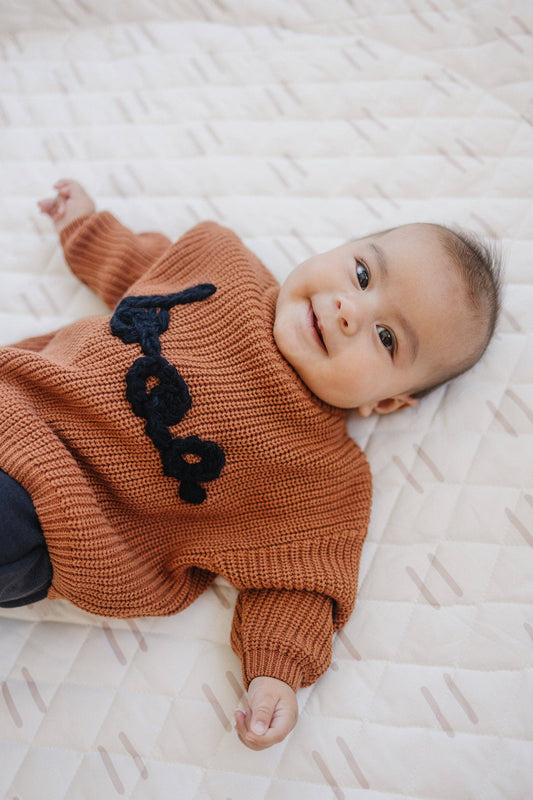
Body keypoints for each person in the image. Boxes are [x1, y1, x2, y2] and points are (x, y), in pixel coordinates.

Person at [0, 180, 500, 750]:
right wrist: (83, 226)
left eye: (386, 337)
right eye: (362, 274)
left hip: (57, 517)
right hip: (16, 400)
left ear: (384, 402)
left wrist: (276, 674)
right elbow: (135, 266)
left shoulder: (326, 477)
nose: (348, 311)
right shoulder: (221, 262)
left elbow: (300, 586)